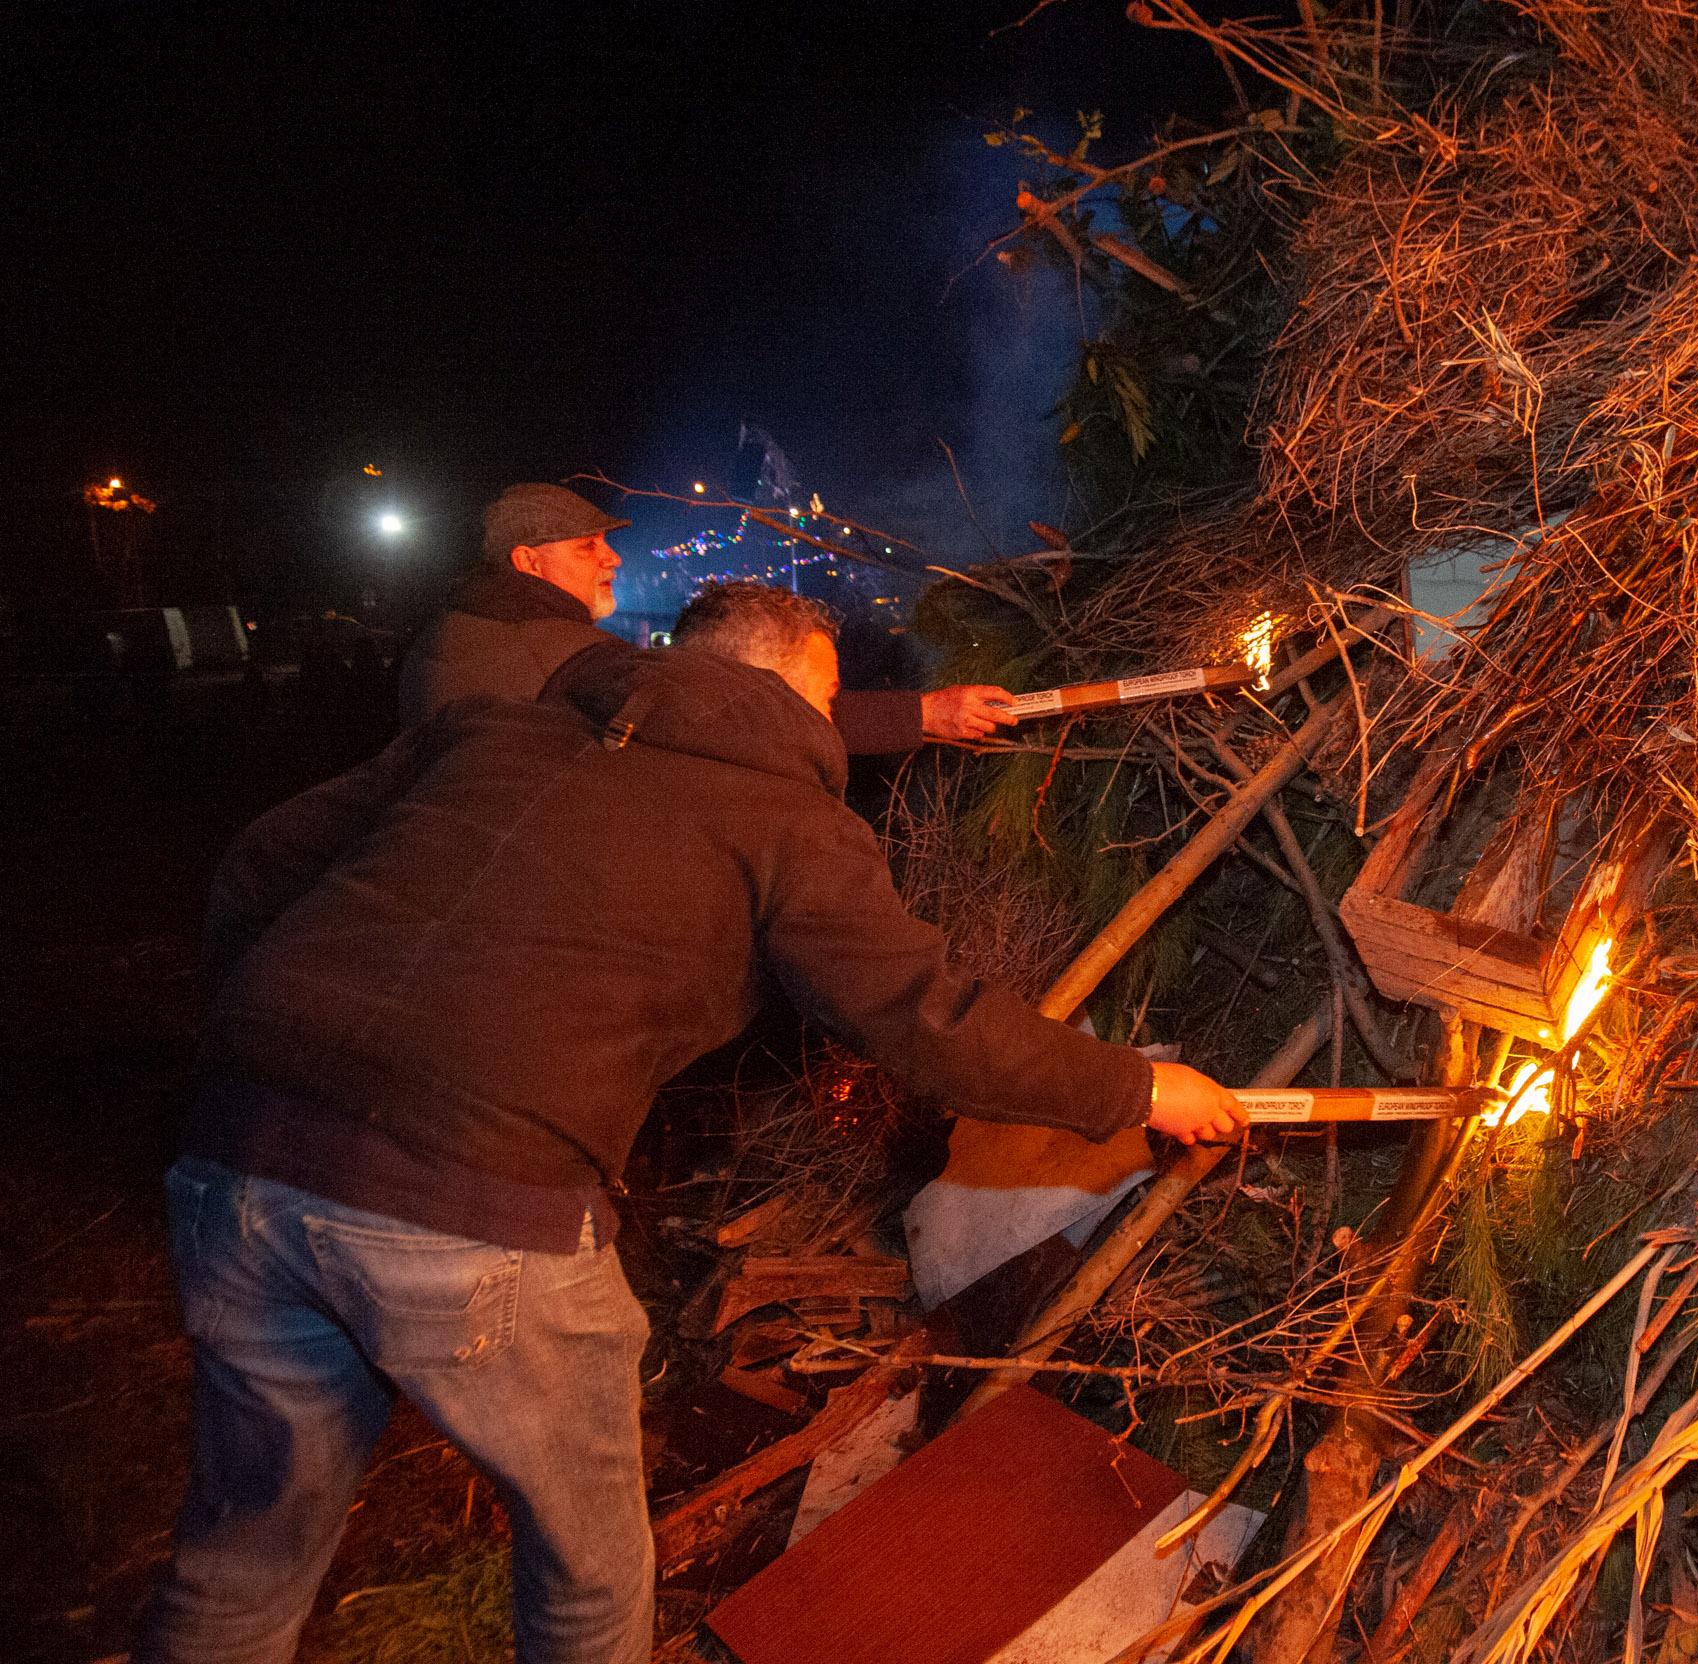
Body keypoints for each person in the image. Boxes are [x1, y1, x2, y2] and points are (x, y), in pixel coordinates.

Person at [138, 581, 1242, 1664]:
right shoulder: (785, 819)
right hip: (473, 1195)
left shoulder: (488, 733)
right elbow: (926, 1017)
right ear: (793, 692)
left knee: (245, 1545)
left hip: (235, 1161)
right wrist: (1138, 1090)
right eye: (826, 693)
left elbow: (264, 863)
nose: (827, 715)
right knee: (588, 1560)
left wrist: (261, 1043)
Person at [398, 481, 1019, 748]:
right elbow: (739, 721)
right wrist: (924, 713)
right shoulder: (565, 659)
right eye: (587, 546)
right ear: (528, 562)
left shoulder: (450, 634)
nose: (610, 557)